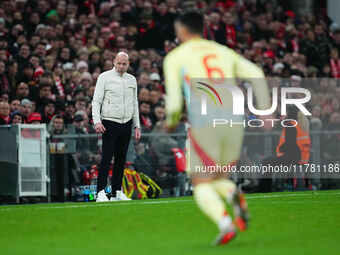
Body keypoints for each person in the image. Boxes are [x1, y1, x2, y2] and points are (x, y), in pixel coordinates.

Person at [163, 12, 271, 245]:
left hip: (205, 122)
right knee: (218, 177)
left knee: (200, 182)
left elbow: (173, 103)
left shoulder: (175, 57)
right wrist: (264, 110)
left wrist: (171, 121)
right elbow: (256, 73)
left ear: (181, 31)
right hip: (234, 121)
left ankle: (225, 224)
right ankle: (233, 194)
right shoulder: (223, 51)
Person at [92, 52, 141, 202]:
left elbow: (135, 103)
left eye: (124, 64)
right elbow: (96, 101)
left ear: (128, 64)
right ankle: (100, 191)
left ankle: (116, 192)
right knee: (106, 158)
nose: (121, 66)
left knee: (121, 159)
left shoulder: (132, 79)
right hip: (109, 121)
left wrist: (137, 126)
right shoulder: (104, 77)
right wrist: (97, 121)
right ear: (114, 62)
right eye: (119, 63)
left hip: (126, 123)